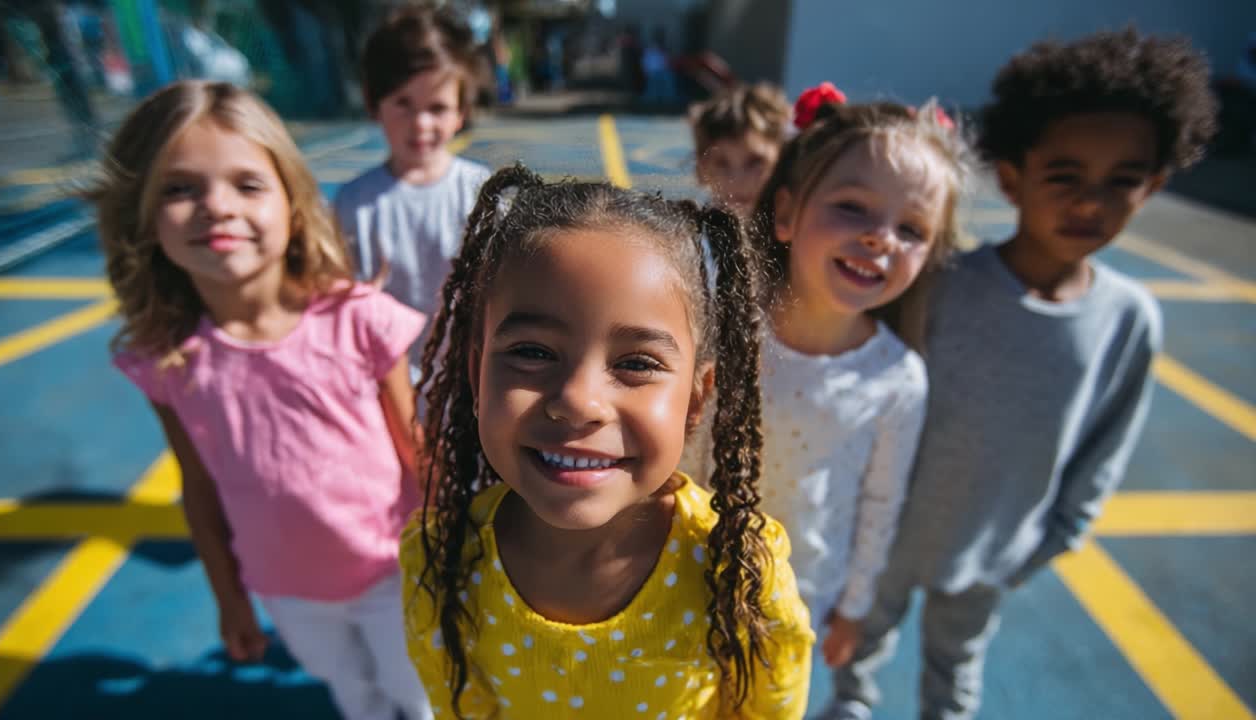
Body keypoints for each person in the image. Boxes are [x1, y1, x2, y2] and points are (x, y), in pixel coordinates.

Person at [828, 29, 1218, 720]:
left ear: (1153, 186)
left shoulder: (1129, 319)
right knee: (852, 656)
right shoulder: (941, 285)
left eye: (1121, 181)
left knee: (955, 679)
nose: (1089, 203)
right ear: (1011, 177)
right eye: (1064, 176)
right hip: (885, 537)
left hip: (994, 554)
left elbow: (1103, 448)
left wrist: (1048, 542)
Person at [399, 164, 816, 719]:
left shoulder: (736, 570)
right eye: (533, 352)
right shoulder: (443, 559)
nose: (578, 400)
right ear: (477, 375)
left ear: (696, 398)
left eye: (637, 363)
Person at [91, 81, 433, 720]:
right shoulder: (171, 361)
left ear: (293, 204)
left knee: (416, 695)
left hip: (396, 572)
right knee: (353, 693)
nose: (216, 207)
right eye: (179, 187)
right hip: (290, 592)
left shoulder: (358, 321)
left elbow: (417, 449)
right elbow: (199, 487)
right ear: (141, 212)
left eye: (246, 184)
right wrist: (229, 597)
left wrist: (458, 553)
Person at [685, 84, 973, 690]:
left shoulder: (897, 375)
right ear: (786, 213)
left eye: (912, 229)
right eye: (853, 207)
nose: (880, 237)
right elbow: (683, 455)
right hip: (689, 578)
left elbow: (880, 502)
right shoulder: (725, 326)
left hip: (802, 599)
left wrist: (855, 606)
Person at [334, 4, 490, 377]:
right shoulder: (353, 205)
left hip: (467, 383)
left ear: (461, 112)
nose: (420, 123)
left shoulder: (481, 194)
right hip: (384, 387)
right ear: (375, 103)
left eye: (437, 108)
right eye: (403, 104)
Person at [687, 81, 791, 215]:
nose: (738, 180)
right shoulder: (687, 233)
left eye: (755, 162)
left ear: (783, 160)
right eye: (721, 163)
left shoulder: (805, 232)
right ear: (701, 169)